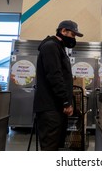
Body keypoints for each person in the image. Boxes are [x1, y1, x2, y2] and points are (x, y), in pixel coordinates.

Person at [33, 20, 83, 150]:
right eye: (72, 35)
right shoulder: (51, 47)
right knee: (50, 147)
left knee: (55, 146)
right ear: (63, 31)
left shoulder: (58, 47)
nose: (73, 39)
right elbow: (54, 76)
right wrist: (66, 102)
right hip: (50, 109)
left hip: (55, 108)